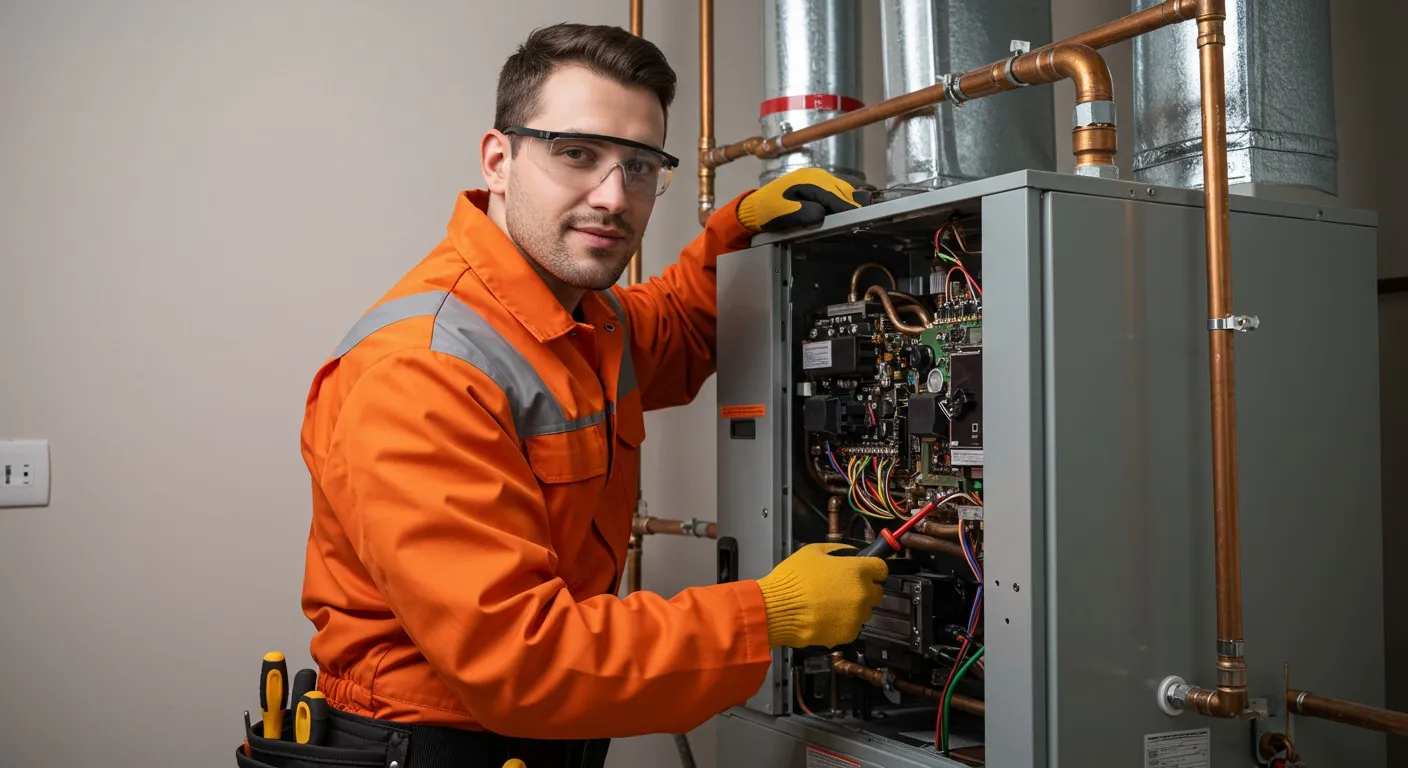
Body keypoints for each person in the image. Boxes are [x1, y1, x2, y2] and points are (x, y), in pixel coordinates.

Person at [292, 21, 887, 768]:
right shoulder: (424, 370)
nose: (613, 196)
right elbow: (521, 661)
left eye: (640, 166)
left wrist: (736, 230)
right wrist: (767, 613)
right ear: (499, 159)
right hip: (428, 751)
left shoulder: (580, 315)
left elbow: (676, 327)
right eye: (577, 153)